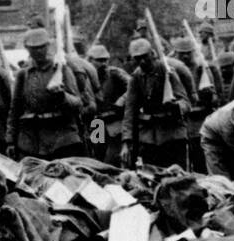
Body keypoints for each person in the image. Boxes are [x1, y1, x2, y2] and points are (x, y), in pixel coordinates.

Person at [6, 28, 84, 159]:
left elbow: (78, 103)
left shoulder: (62, 69)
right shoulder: (23, 75)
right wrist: (10, 140)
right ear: (27, 49)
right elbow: (15, 110)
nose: (38, 51)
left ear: (48, 46)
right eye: (33, 48)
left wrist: (62, 96)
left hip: (61, 139)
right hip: (31, 141)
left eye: (41, 47)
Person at [120, 37, 190, 168]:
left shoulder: (167, 71)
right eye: (137, 58)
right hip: (149, 138)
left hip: (172, 134)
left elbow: (186, 103)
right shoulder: (136, 77)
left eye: (145, 56)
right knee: (152, 177)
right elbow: (129, 111)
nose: (142, 61)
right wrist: (126, 142)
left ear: (152, 53)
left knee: (177, 178)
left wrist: (175, 106)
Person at [173, 35, 220, 170]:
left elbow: (215, 98)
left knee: (200, 159)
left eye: (188, 53)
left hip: (200, 120)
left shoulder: (202, 69)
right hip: (180, 120)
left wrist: (208, 93)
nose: (186, 57)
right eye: (182, 54)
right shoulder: (173, 69)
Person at [87, 43, 130, 164]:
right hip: (97, 124)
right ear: (90, 60)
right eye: (99, 60)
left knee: (114, 159)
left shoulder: (115, 74)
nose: (104, 63)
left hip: (115, 123)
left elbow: (134, 88)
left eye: (105, 60)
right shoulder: (86, 77)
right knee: (98, 157)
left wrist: (122, 100)